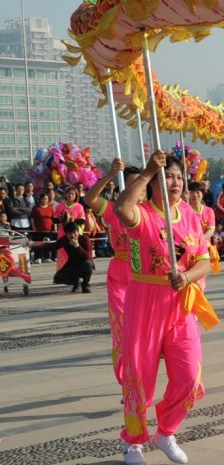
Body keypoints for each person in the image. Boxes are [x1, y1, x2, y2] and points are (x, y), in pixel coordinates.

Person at [114, 150, 216, 465]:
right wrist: (146, 171)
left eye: (178, 176)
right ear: (155, 182)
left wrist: (186, 276)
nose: (174, 182)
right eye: (168, 176)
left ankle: (166, 431)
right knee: (140, 378)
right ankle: (133, 441)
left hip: (180, 302)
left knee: (189, 377)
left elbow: (203, 261)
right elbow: (121, 208)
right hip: (144, 300)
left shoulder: (189, 214)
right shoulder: (142, 213)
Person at [84, 159, 145, 383]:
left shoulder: (151, 211)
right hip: (120, 274)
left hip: (146, 274)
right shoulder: (112, 211)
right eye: (130, 185)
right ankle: (127, 378)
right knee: (122, 327)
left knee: (141, 329)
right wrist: (109, 175)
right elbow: (89, 199)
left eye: (140, 185)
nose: (136, 190)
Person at [51, 221, 94, 292]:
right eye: (69, 233)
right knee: (57, 278)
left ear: (78, 231)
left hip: (84, 264)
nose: (73, 235)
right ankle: (76, 282)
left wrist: (77, 246)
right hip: (72, 265)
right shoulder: (65, 240)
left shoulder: (85, 239)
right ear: (66, 234)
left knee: (88, 264)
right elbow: (52, 246)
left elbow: (88, 256)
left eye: (74, 232)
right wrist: (33, 246)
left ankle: (85, 285)